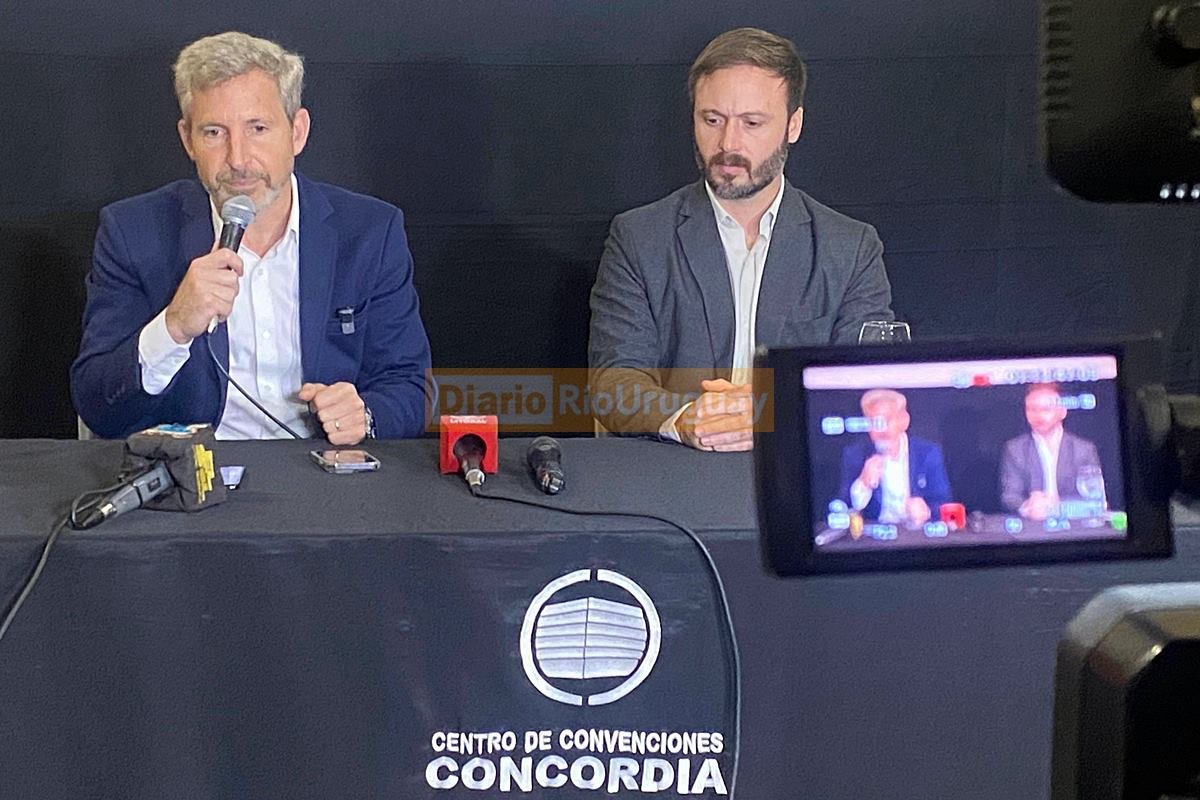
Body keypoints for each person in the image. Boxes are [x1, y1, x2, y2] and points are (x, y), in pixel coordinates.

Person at [70, 32, 432, 444]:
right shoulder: (134, 232)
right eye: (213, 133)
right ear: (188, 139)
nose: (238, 160)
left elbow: (411, 388)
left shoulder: (369, 232)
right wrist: (172, 327)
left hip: (325, 479)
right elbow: (97, 404)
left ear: (297, 132)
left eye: (257, 128)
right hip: (194, 482)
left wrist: (364, 416)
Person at [588, 27, 894, 451]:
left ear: (794, 125)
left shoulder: (851, 249)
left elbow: (868, 383)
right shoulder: (639, 238)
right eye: (711, 120)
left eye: (751, 123)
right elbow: (613, 380)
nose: (728, 144)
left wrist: (770, 413)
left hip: (797, 470)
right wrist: (686, 418)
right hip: (675, 475)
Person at [838, 389, 951, 526]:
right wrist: (863, 483)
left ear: (904, 421)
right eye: (874, 423)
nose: (881, 430)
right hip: (875, 539)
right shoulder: (855, 454)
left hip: (917, 535)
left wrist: (926, 511)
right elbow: (844, 509)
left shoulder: (927, 452)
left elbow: (944, 502)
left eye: (887, 420)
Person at [1000, 384, 1103, 520]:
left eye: (1045, 409)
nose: (1039, 415)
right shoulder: (1014, 449)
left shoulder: (1084, 449)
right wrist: (1028, 505)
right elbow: (1009, 496)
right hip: (1032, 525)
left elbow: (1093, 496)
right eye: (1032, 409)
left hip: (1074, 524)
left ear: (1063, 411)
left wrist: (1056, 508)